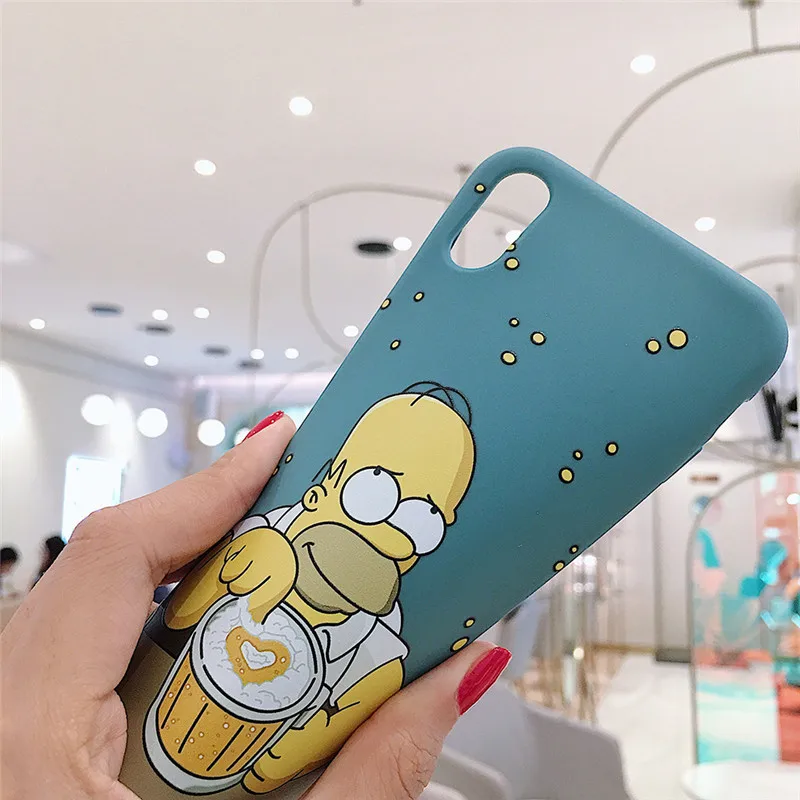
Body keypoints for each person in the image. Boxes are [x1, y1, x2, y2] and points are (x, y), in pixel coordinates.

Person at [0, 412, 511, 799]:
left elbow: (376, 674)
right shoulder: (271, 536)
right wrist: (247, 561)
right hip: (156, 717)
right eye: (375, 490)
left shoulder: (383, 632)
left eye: (423, 518)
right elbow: (183, 615)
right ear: (329, 482)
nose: (390, 527)